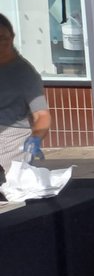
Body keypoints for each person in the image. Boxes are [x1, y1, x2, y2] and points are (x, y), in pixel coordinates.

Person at [0, 13, 52, 176]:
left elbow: (41, 115)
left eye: (3, 37)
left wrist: (36, 137)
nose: (1, 43)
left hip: (11, 140)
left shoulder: (25, 74)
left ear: (12, 37)